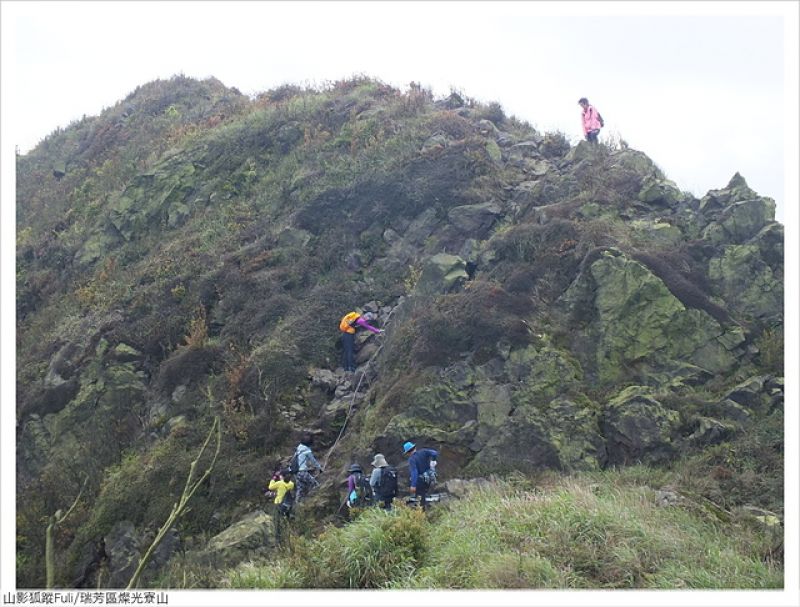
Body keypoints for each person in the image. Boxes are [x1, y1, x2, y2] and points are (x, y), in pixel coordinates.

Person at [402, 441, 438, 511]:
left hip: (420, 481)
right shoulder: (423, 451)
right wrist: (433, 461)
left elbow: (414, 472)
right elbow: (434, 453)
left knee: (420, 498)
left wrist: (413, 485)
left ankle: (422, 513)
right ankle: (428, 509)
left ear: (408, 452)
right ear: (414, 447)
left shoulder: (412, 459)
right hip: (429, 479)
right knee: (425, 494)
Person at [293, 433, 323, 504]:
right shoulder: (307, 450)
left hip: (296, 473)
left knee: (300, 489)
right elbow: (313, 461)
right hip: (303, 472)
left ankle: (298, 505)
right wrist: (319, 468)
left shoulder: (298, 449)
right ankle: (314, 501)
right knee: (315, 484)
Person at [267, 468, 295, 545]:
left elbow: (270, 487)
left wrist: (273, 478)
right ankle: (291, 534)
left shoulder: (280, 483)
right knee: (287, 520)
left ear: (282, 476)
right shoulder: (291, 484)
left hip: (279, 503)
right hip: (288, 504)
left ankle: (278, 539)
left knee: (277, 521)